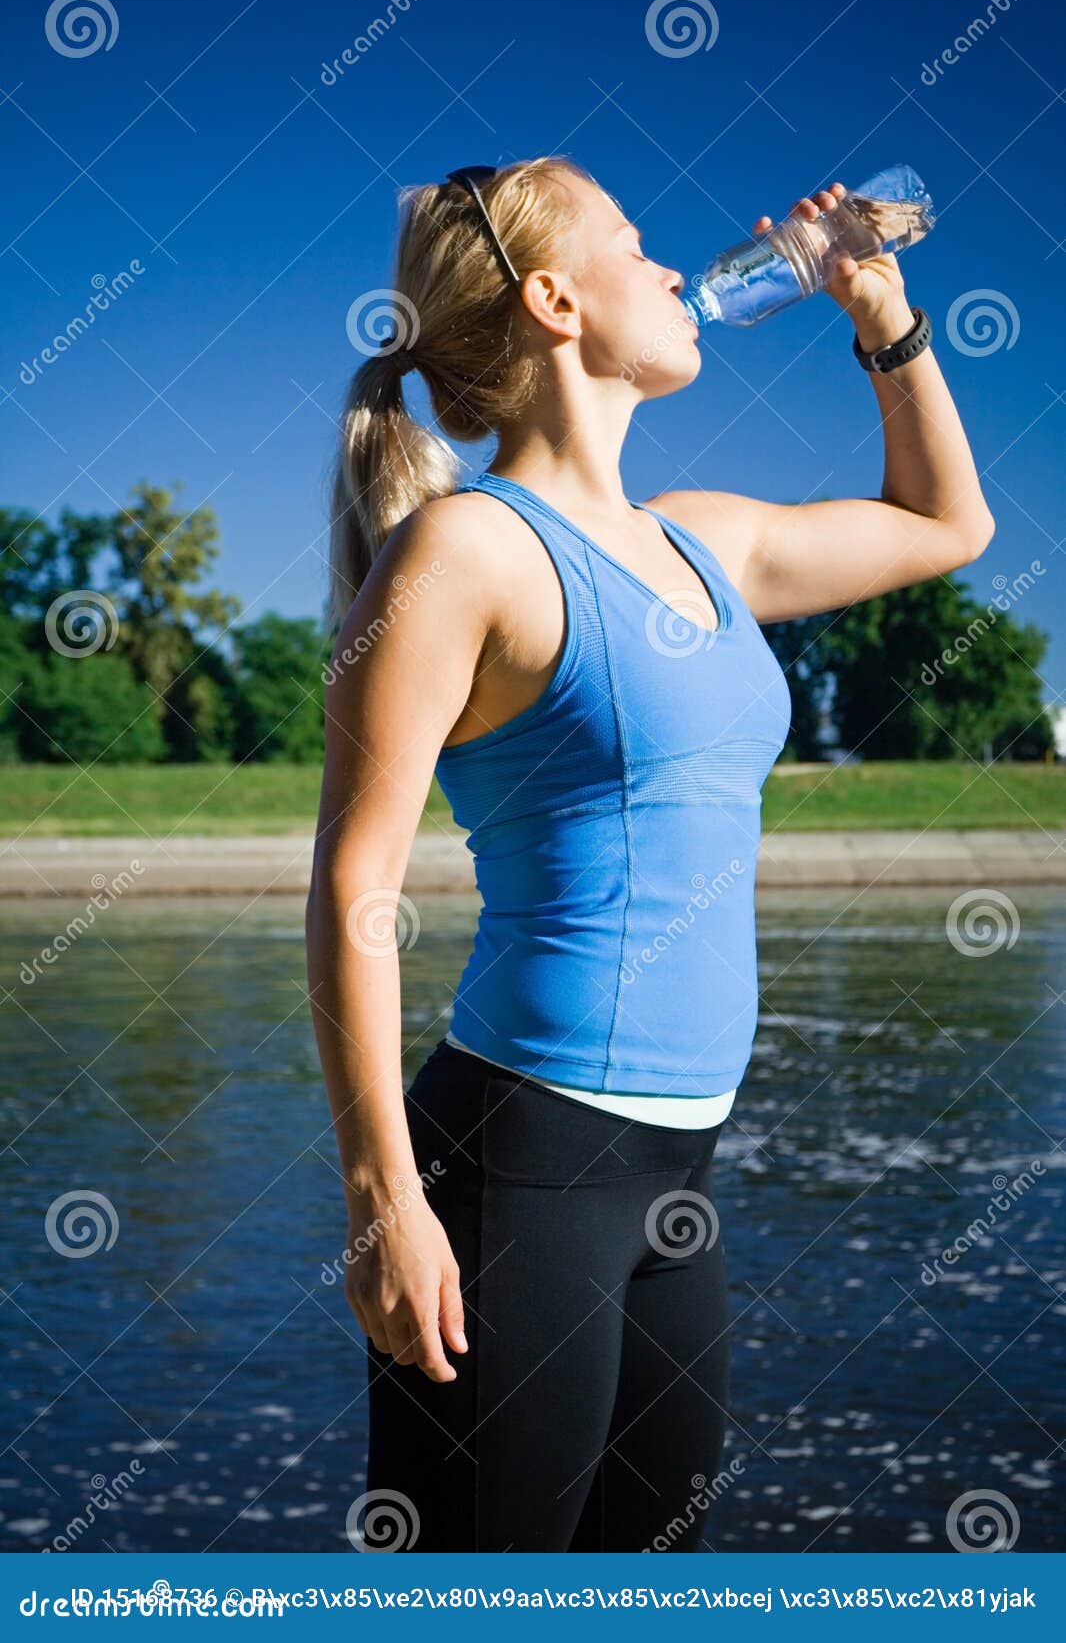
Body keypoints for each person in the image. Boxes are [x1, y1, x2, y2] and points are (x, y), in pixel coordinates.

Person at [305, 157, 995, 1552]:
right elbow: (352, 882)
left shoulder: (704, 540)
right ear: (553, 299)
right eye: (637, 245)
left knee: (646, 1585)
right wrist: (382, 1195)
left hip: (677, 1172)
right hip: (517, 1160)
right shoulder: (465, 551)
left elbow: (946, 525)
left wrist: (877, 306)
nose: (679, 269)